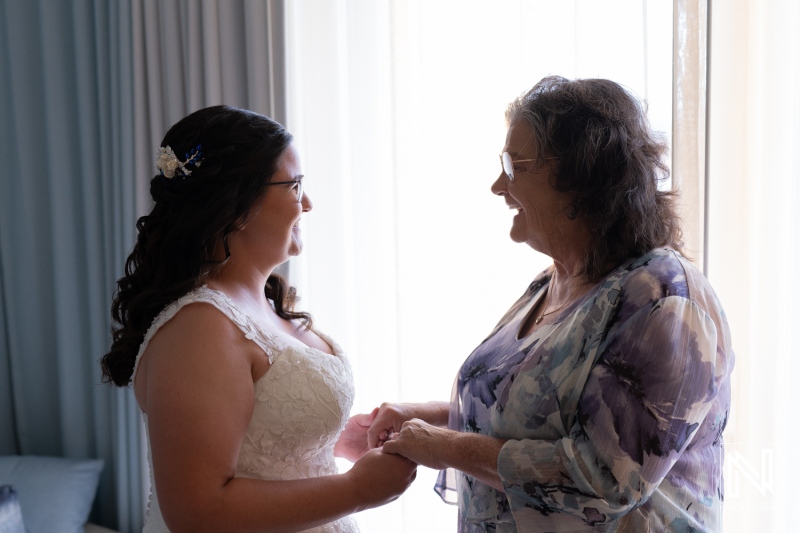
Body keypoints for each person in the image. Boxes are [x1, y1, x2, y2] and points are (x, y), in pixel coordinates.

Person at [348, 76, 734, 532]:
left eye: (513, 166)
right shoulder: (551, 282)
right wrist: (425, 417)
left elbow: (604, 477)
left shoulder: (666, 302)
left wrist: (443, 447)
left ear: (581, 178)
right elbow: (524, 420)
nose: (497, 185)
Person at [101, 105, 416, 533]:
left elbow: (252, 438)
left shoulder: (259, 304)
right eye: (294, 186)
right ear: (236, 206)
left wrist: (334, 440)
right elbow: (198, 512)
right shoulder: (201, 327)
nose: (307, 203)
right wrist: (357, 490)